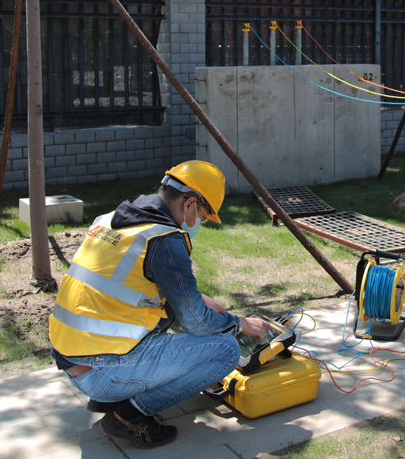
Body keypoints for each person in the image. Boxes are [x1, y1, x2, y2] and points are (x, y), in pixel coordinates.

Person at [48, 160, 273, 449]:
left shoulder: (113, 219)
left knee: (192, 324)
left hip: (76, 359)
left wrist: (202, 302)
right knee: (225, 350)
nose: (198, 223)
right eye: (203, 216)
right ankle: (129, 416)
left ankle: (115, 396)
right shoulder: (164, 238)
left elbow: (126, 285)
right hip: (102, 371)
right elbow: (196, 323)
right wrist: (240, 323)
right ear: (190, 204)